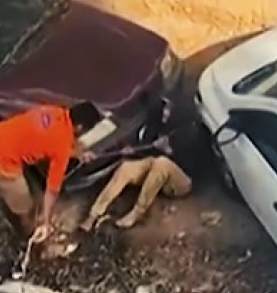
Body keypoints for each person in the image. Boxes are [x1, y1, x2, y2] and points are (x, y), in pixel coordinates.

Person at [0, 102, 101, 241]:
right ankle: (28, 236)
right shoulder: (61, 146)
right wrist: (46, 222)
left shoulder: (53, 110)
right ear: (79, 127)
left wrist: (75, 152)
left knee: (28, 192)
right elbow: (52, 190)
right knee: (25, 205)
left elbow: (48, 139)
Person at [79, 98, 193, 231]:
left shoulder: (186, 130)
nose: (166, 114)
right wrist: (131, 150)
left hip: (181, 182)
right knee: (126, 167)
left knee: (162, 162)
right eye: (164, 110)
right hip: (156, 173)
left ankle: (137, 213)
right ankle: (93, 215)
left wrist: (169, 150)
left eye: (169, 110)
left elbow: (190, 162)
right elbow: (146, 153)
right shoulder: (154, 126)